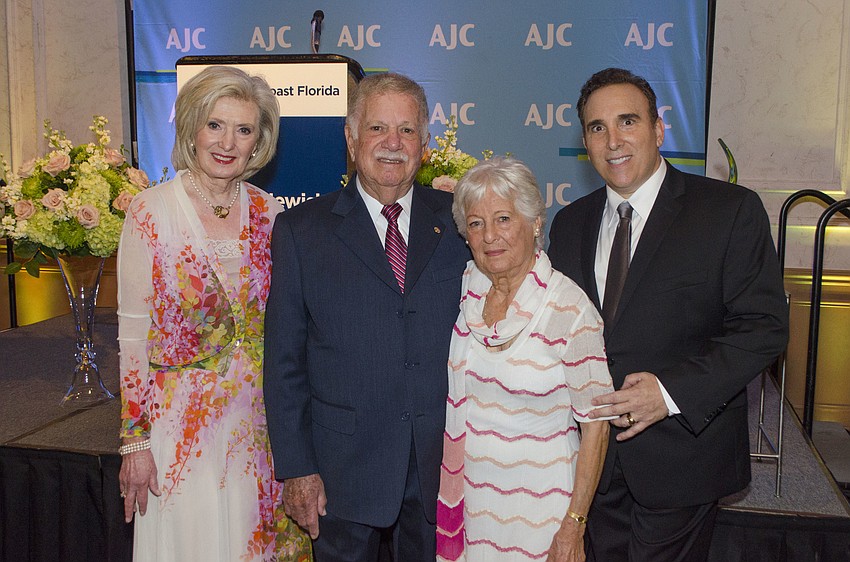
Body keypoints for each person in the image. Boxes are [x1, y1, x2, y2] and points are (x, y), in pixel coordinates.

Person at [547, 67, 789, 561]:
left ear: (658, 129)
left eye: (628, 121)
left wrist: (669, 392)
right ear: (585, 143)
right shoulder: (569, 224)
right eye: (597, 127)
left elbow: (763, 328)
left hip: (684, 457)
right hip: (592, 464)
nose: (613, 140)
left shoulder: (728, 211)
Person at [263, 72, 470, 561]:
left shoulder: (462, 221)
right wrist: (297, 468)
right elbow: (284, 362)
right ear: (351, 138)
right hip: (341, 471)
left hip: (443, 466)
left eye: (407, 130)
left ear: (425, 143)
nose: (392, 143)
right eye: (378, 128)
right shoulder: (300, 231)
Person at [117, 65, 311, 561]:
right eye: (215, 125)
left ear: (259, 142)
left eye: (243, 129)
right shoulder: (150, 212)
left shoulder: (271, 213)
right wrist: (135, 442)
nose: (227, 143)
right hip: (180, 430)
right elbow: (133, 340)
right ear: (192, 129)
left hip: (259, 426)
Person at [435, 157, 612, 562]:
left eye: (503, 219)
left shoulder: (570, 309)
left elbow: (597, 427)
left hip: (544, 509)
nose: (489, 236)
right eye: (476, 223)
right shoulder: (467, 288)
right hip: (473, 503)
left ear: (534, 223)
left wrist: (574, 525)